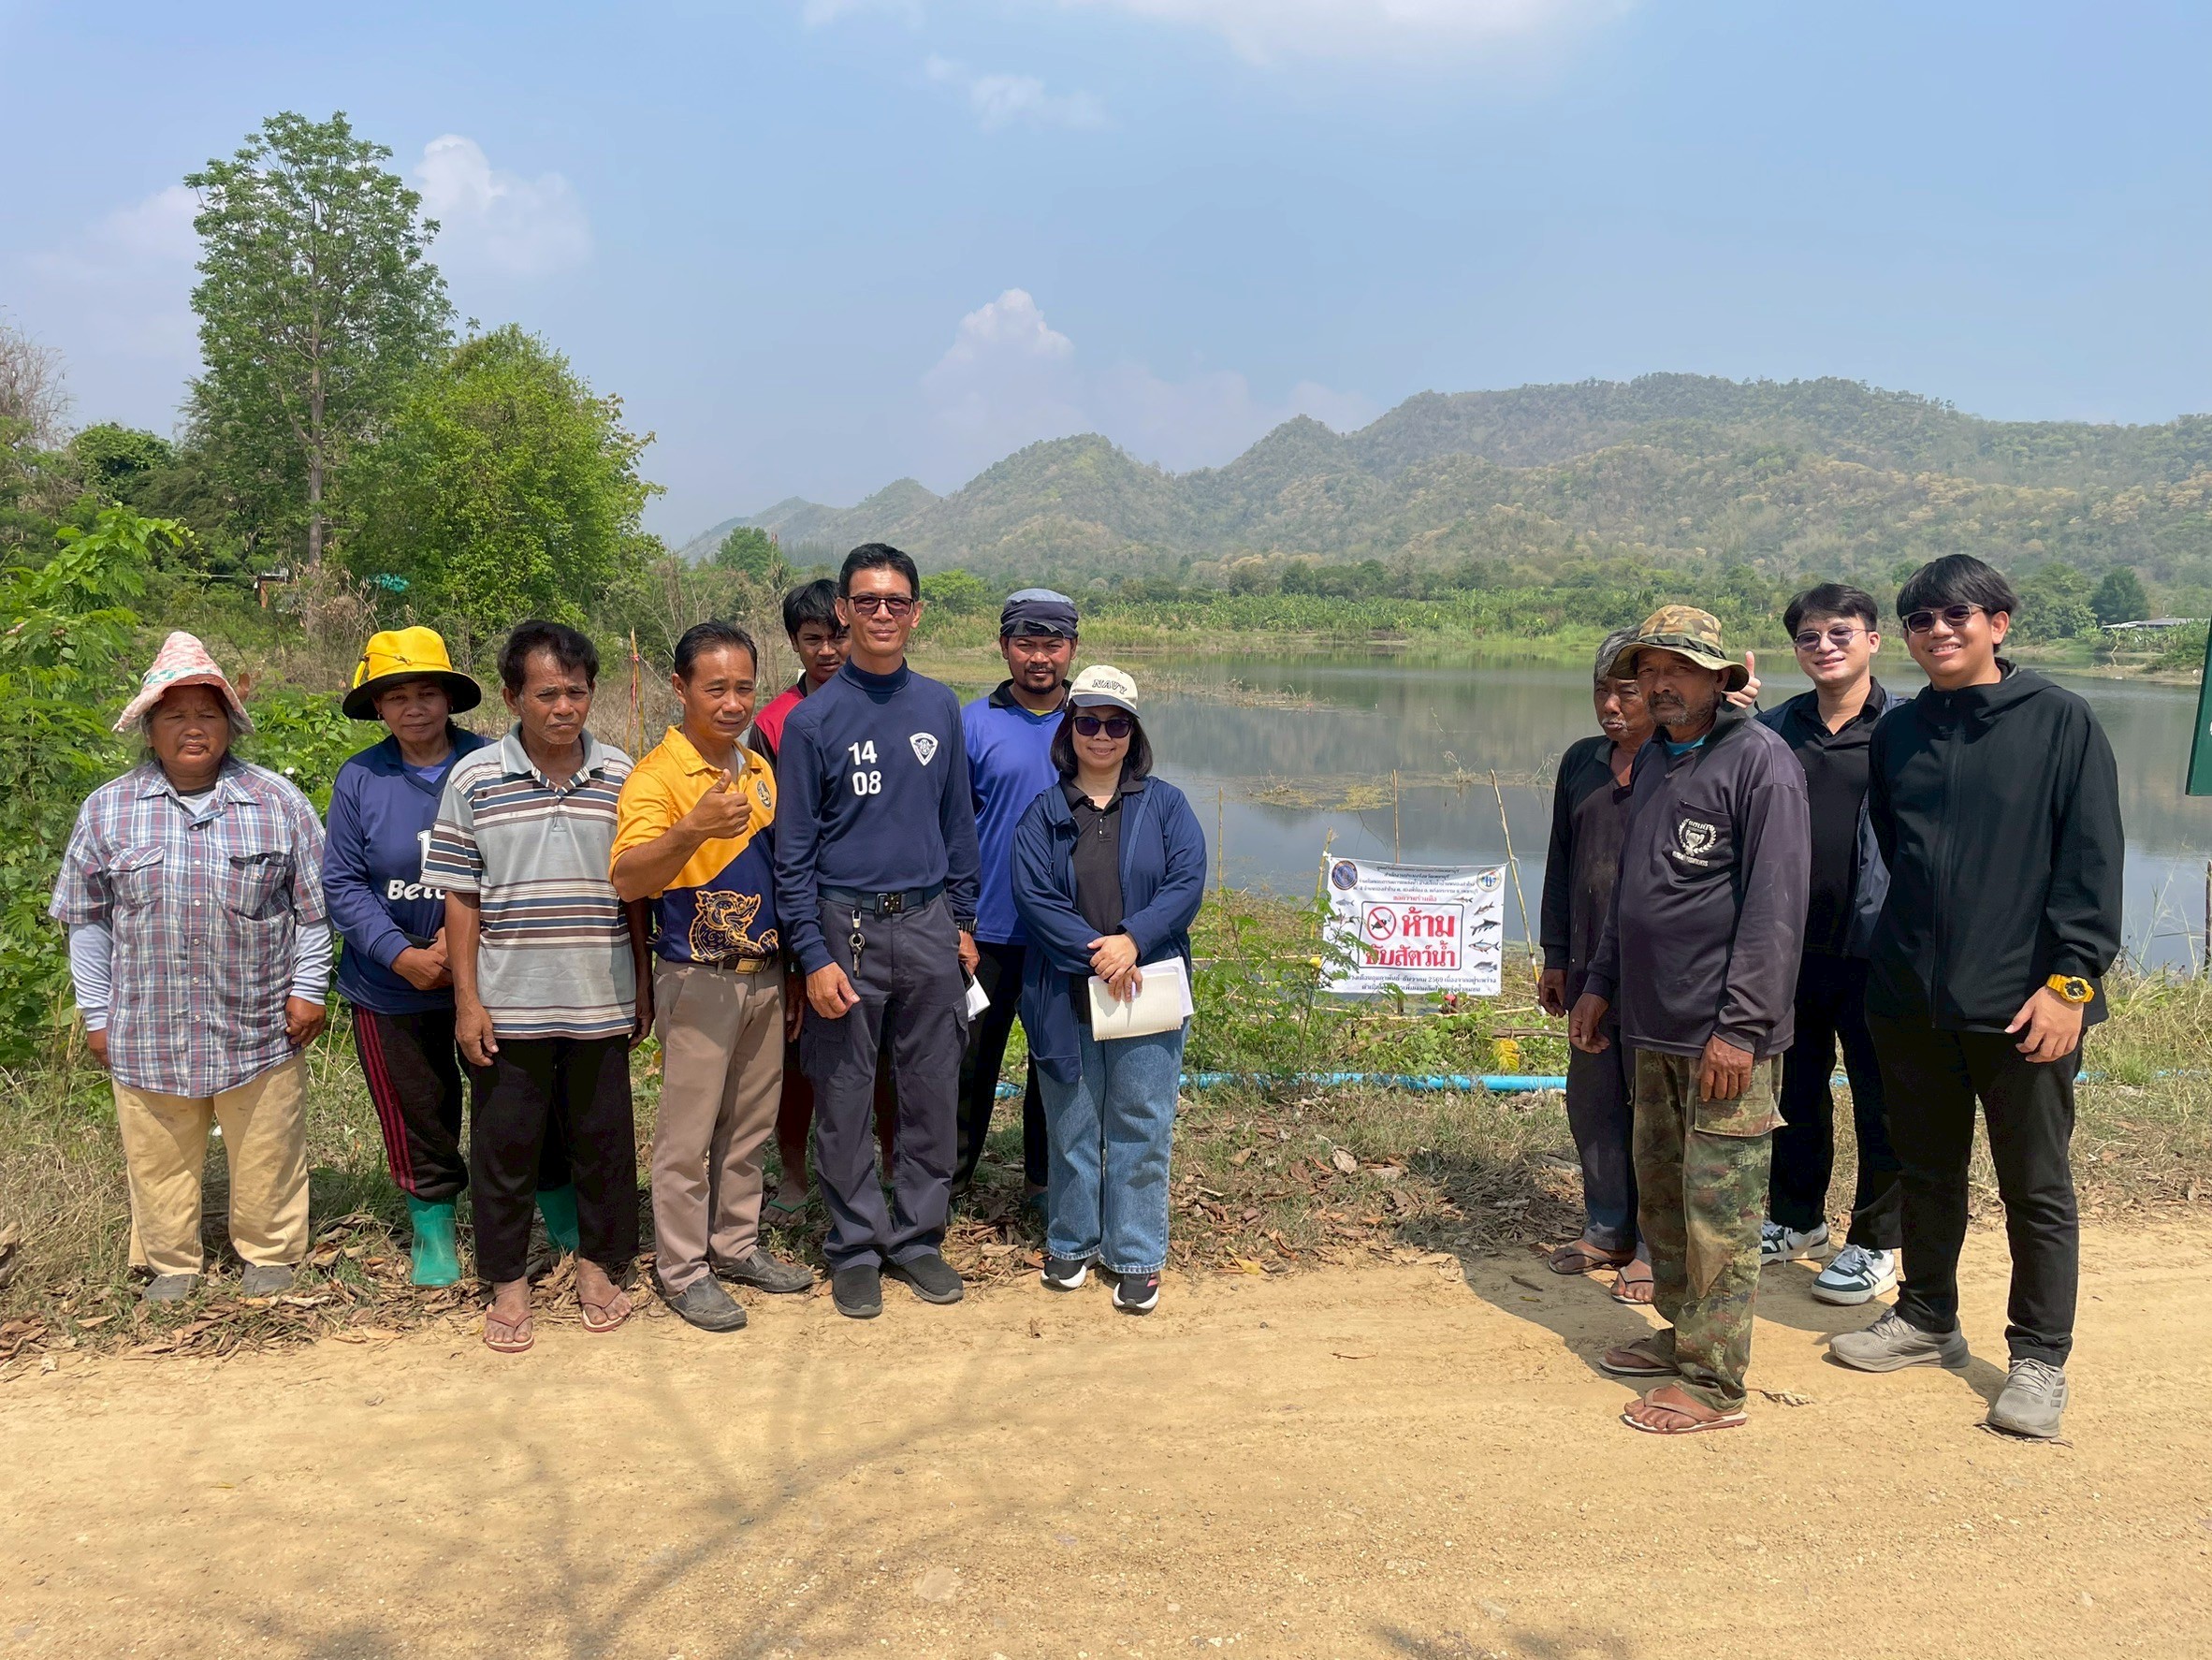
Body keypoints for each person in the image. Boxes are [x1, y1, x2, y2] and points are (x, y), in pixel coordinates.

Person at [1828, 556, 2121, 1441]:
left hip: (2026, 1004)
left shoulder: (2061, 721)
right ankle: (1926, 1319)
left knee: (2036, 1185)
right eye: (1920, 619)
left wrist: (2069, 986)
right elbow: (1897, 852)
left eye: (1957, 614)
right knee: (1925, 1170)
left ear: (1998, 622)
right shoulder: (1900, 732)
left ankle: (2039, 1358)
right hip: (1911, 998)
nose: (1938, 630)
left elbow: (2092, 866)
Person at [1570, 605, 1810, 1434]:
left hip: (1721, 1037)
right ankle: (1684, 1337)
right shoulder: (1659, 764)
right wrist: (1600, 983)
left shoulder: (1761, 763)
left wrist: (1741, 1029)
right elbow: (1631, 895)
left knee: (1721, 1215)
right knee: (1667, 1199)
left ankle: (1714, 1383)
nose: (1659, 684)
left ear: (1719, 677)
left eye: (1678, 669)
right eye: (1648, 670)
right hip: (1652, 1028)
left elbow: (1777, 911)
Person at [51, 633, 330, 1303]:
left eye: (207, 714)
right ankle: (172, 1262)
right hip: (147, 1020)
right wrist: (96, 1013)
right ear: (149, 730)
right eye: (174, 716)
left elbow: (313, 910)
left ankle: (269, 1251)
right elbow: (88, 920)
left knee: (268, 1145)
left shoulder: (278, 802)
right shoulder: (107, 809)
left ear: (229, 725)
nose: (193, 728)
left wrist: (308, 988)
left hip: (258, 1016)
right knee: (158, 1151)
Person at [423, 621, 650, 1354]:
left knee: (605, 1144)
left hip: (600, 995)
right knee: (505, 1148)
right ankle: (509, 1282)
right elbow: (461, 898)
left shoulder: (623, 776)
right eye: (546, 693)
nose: (563, 708)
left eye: (576, 693)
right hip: (510, 1002)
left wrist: (643, 986)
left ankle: (596, 1267)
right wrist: (467, 1001)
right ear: (514, 696)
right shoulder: (475, 779)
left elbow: (637, 893)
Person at [773, 544, 982, 1318]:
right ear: (844, 614)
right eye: (867, 602)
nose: (883, 614)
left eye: (897, 601)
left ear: (917, 612)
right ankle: (855, 1242)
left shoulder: (938, 706)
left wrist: (964, 921)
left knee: (931, 1089)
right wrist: (813, 955)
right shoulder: (813, 723)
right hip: (845, 926)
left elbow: (958, 823)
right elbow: (792, 855)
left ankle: (920, 1237)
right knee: (846, 1094)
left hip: (928, 925)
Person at [326, 627, 561, 1289]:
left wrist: (463, 951)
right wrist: (401, 954)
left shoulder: (491, 765)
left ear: (449, 699)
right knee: (417, 1110)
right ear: (377, 708)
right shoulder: (361, 779)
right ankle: (432, 1227)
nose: (414, 708)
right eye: (396, 697)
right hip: (390, 986)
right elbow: (342, 882)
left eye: (427, 692)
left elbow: (523, 867)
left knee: (518, 1103)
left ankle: (555, 1212)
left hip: (490, 976)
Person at [611, 621, 815, 1332]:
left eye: (744, 688)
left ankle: (733, 1244)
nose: (732, 703)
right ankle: (681, 1268)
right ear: (680, 688)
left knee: (750, 1124)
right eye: (715, 688)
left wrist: (790, 970)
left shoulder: (757, 769)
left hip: (763, 972)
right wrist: (692, 829)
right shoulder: (658, 776)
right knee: (687, 1133)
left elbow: (783, 877)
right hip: (697, 976)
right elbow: (629, 877)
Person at [1011, 666, 1206, 1315]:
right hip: (1063, 992)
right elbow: (1034, 898)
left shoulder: (1167, 805)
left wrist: (1132, 940)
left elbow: (1185, 884)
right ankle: (1070, 1239)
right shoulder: (1043, 812)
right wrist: (1100, 955)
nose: (1101, 734)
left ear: (1132, 733)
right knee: (1070, 1122)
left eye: (1115, 723)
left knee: (1140, 1123)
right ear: (1070, 729)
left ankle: (1136, 1254)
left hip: (1145, 987)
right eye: (1088, 720)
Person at [1755, 584, 1903, 1304]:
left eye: (1840, 633)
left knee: (1882, 1099)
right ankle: (1795, 1219)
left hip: (1879, 950)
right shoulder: (1775, 726)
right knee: (1799, 1093)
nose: (1825, 647)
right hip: (1792, 950)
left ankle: (1877, 1240)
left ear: (1874, 640)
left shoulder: (1907, 726)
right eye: (1809, 637)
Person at [749, 577, 895, 1217]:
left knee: (885, 1051)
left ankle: (886, 1165)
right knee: (802, 1044)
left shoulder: (886, 706)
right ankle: (792, 1169)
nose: (829, 650)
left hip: (878, 910)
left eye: (836, 635)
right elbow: (770, 830)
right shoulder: (776, 724)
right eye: (814, 640)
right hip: (803, 908)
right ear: (794, 644)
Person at [1538, 629, 1657, 1303]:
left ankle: (1653, 1244)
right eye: (1602, 690)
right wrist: (1557, 957)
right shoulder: (1582, 763)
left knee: (1657, 1110)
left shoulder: (1680, 764)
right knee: (1594, 1100)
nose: (1611, 705)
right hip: (1588, 968)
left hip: (1656, 973)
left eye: (1628, 691)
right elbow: (1561, 861)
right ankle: (1607, 1225)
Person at [955, 588, 1080, 1201]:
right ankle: (944, 1189)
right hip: (987, 934)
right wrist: (956, 921)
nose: (1039, 657)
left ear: (1072, 649)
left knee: (1054, 1066)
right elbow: (946, 828)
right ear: (1004, 647)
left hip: (1065, 935)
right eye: (1026, 643)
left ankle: (1043, 1184)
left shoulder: (1096, 724)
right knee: (967, 1066)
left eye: (1052, 644)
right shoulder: (971, 723)